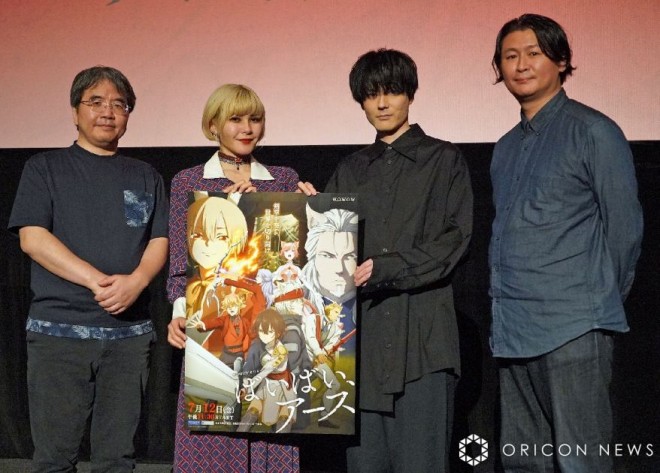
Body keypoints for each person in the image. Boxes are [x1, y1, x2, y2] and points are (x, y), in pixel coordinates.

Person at [299, 48, 473, 473]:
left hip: (423, 345)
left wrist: (386, 267)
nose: (381, 103)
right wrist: (309, 217)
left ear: (410, 94)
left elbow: (454, 241)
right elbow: (331, 257)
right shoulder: (351, 169)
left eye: (391, 91)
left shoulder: (444, 159)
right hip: (363, 348)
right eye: (370, 95)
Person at [489, 14, 643, 472]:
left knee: (582, 462)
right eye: (510, 56)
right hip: (513, 329)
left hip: (573, 327)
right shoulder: (504, 147)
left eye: (533, 54)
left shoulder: (594, 131)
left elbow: (625, 230)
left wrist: (596, 301)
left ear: (560, 60)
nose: (521, 65)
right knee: (523, 463)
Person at [8, 66, 169, 472]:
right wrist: (96, 281)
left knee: (117, 459)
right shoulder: (44, 168)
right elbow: (32, 238)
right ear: (75, 111)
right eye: (95, 102)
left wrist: (137, 281)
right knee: (55, 458)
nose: (108, 112)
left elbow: (159, 239)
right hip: (59, 333)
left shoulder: (145, 175)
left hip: (128, 339)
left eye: (119, 104)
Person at [166, 84, 300, 473]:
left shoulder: (283, 178)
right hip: (215, 331)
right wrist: (180, 312)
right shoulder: (189, 181)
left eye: (254, 119)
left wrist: (311, 207)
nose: (247, 128)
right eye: (235, 119)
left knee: (267, 427)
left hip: (267, 324)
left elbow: (292, 254)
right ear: (213, 125)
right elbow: (181, 262)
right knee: (213, 435)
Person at [301, 205, 358, 353]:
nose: (340, 268)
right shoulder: (299, 307)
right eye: (328, 256)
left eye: (349, 256)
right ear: (313, 258)